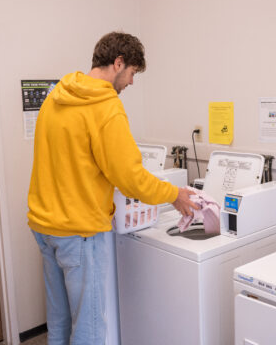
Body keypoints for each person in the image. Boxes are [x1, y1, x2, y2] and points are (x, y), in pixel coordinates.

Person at [27, 32, 199, 345]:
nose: (131, 82)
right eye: (132, 72)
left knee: (60, 325)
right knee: (89, 331)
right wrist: (174, 194)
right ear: (118, 63)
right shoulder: (105, 107)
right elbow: (130, 178)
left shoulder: (56, 96)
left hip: (44, 227)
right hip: (79, 231)